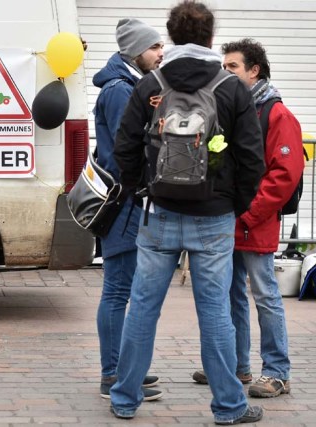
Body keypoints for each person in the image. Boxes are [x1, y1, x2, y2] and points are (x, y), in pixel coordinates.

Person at [109, 1, 266, 424]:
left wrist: (141, 189)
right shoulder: (231, 87)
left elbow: (124, 148)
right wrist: (235, 204)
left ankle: (124, 399)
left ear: (172, 36)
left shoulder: (151, 82)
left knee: (142, 308)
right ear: (211, 38)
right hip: (214, 217)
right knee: (215, 313)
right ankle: (229, 407)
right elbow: (253, 158)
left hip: (159, 212)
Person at [192, 38, 303, 398]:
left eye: (233, 67)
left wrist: (250, 214)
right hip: (230, 220)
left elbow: (284, 174)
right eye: (223, 66)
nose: (225, 72)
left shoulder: (277, 114)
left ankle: (277, 372)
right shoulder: (231, 109)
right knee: (231, 295)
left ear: (254, 71)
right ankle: (236, 369)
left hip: (254, 221)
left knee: (265, 295)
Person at [92, 18, 164, 401]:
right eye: (154, 47)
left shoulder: (128, 85)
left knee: (122, 288)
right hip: (124, 202)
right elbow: (127, 149)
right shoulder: (121, 90)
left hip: (126, 201)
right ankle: (113, 376)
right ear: (135, 50)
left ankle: (121, 368)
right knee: (119, 290)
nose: (160, 52)